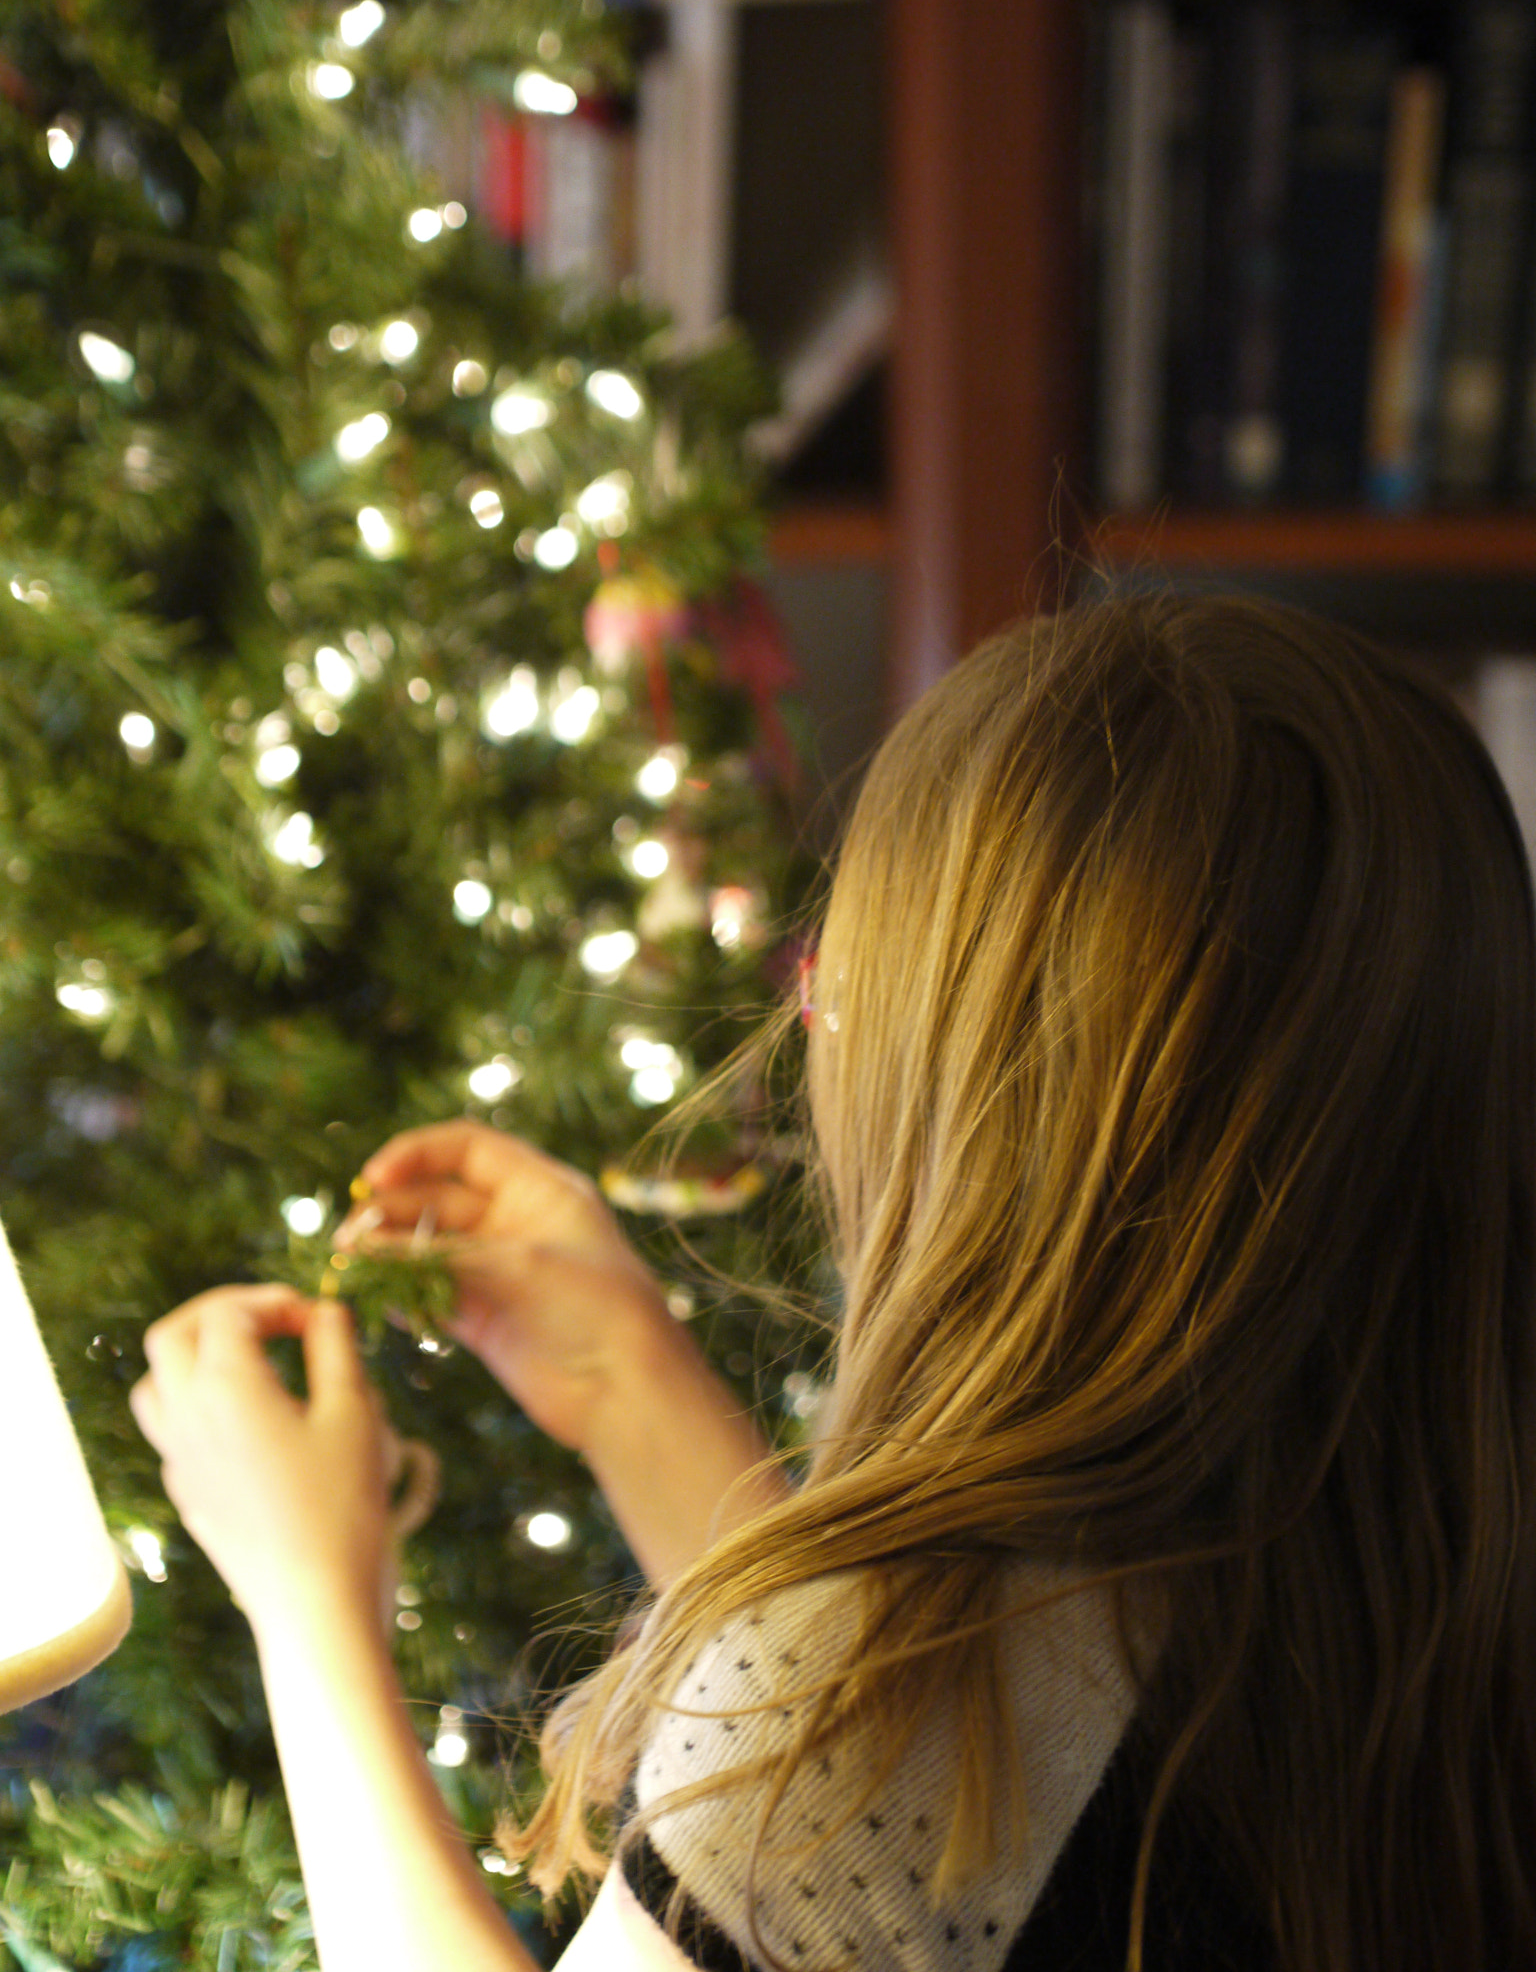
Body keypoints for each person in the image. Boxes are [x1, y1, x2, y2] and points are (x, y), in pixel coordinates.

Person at [130, 593, 1536, 1972]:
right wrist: (631, 1388)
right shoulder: (1413, 1594)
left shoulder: (942, 1702)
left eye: (833, 991)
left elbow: (902, 1748)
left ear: (956, 1118)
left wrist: (306, 1603)